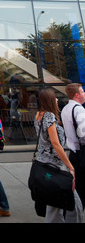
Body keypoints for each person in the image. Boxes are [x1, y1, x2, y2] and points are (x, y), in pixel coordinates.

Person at [34, 88, 83, 223]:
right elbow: (56, 144)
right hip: (55, 165)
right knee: (69, 202)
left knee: (57, 202)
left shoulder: (38, 115)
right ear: (49, 100)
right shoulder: (49, 116)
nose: (57, 99)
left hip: (44, 164)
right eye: (54, 97)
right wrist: (70, 166)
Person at [61, 83, 85, 209]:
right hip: (81, 153)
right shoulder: (79, 109)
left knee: (77, 187)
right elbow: (83, 133)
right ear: (77, 95)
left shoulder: (65, 109)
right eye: (82, 91)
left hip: (73, 153)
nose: (84, 93)